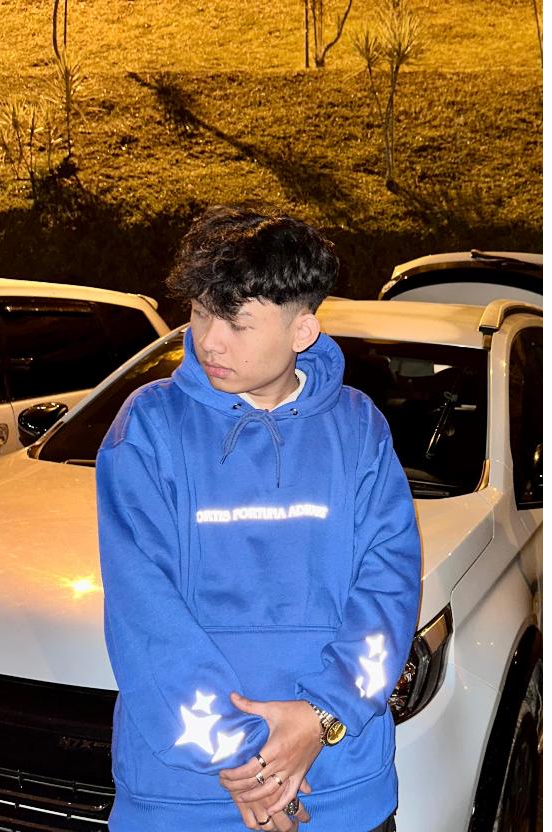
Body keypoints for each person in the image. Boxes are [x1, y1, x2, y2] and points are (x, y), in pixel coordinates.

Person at [96, 206, 422, 832]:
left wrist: (321, 717)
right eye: (200, 313)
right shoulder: (149, 426)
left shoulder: (358, 427)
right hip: (186, 795)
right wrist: (244, 757)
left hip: (342, 784)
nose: (209, 341)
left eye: (237, 323)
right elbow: (143, 609)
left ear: (303, 330)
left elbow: (389, 587)